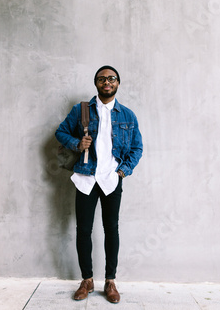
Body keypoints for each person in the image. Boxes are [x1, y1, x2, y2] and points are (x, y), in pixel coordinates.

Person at [55, 65, 143, 303]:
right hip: (86, 177)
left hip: (111, 179)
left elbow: (137, 148)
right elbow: (61, 132)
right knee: (83, 230)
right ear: (96, 83)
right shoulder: (81, 110)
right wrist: (77, 144)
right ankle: (87, 280)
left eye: (112, 78)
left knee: (111, 229)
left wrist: (122, 172)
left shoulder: (127, 115)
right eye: (102, 78)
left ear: (117, 83)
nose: (107, 82)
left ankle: (110, 281)